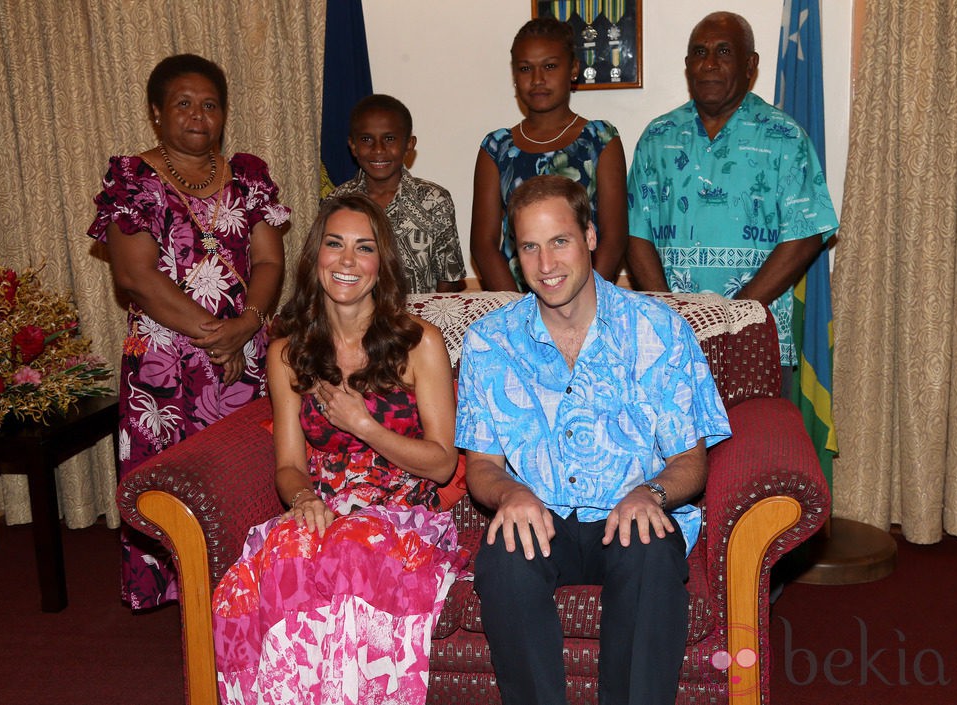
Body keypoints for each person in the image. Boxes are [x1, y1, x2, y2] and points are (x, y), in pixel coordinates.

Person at [455, 175, 731, 705]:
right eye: (529, 248)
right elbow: (482, 466)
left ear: (590, 236)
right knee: (504, 560)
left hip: (629, 510)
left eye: (559, 241)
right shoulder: (489, 340)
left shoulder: (658, 329)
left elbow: (690, 461)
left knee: (650, 551)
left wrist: (649, 493)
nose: (546, 264)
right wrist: (511, 494)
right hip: (541, 514)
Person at [211, 194, 469, 704]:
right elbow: (288, 464)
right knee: (277, 562)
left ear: (382, 265)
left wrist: (364, 425)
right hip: (324, 512)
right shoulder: (288, 351)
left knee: (351, 556)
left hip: (401, 516)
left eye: (364, 248)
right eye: (335, 244)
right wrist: (304, 498)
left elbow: (441, 464)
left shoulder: (420, 343)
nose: (347, 261)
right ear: (315, 257)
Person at [88, 53, 288, 610]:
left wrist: (245, 326)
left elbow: (270, 264)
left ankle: (247, 584)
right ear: (156, 113)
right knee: (169, 478)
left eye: (210, 105)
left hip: (244, 354)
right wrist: (215, 335)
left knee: (247, 473)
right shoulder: (133, 179)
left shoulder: (249, 175)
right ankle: (181, 597)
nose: (198, 116)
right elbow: (135, 276)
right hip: (166, 364)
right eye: (183, 103)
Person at [626, 11, 838, 378]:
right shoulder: (658, 138)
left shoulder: (784, 137)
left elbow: (804, 237)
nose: (709, 63)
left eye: (724, 51)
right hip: (671, 344)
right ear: (687, 64)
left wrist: (731, 319)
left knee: (760, 437)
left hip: (754, 340)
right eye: (699, 52)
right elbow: (634, 232)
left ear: (750, 64)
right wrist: (673, 319)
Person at [470, 16, 628, 291]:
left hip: (588, 295)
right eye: (525, 68)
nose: (538, 79)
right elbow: (483, 245)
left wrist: (588, 298)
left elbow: (614, 238)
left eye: (550, 66)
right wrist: (517, 309)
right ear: (514, 76)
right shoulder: (496, 148)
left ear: (574, 69)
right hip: (517, 300)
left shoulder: (600, 139)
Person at [327, 94, 466, 294]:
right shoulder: (337, 201)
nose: (378, 150)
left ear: (409, 144)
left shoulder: (433, 201)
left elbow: (449, 278)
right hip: (354, 321)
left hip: (419, 320)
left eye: (389, 139)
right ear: (353, 146)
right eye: (367, 139)